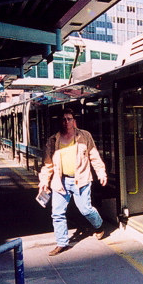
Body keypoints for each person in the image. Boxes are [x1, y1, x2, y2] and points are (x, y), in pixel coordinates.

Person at [38, 106, 108, 256]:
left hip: (81, 180)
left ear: (74, 121)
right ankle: (62, 243)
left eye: (69, 119)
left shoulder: (85, 136)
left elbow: (94, 156)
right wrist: (44, 181)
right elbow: (48, 164)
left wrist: (101, 173)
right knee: (57, 213)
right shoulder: (52, 141)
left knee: (85, 209)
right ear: (59, 122)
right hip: (60, 181)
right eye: (63, 119)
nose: (66, 122)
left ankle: (99, 225)